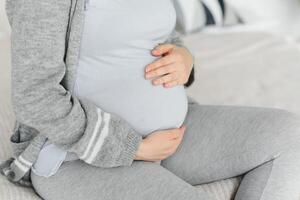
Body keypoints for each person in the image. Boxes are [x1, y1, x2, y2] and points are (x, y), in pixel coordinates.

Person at [1, 0, 300, 199]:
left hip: (171, 136)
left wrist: (183, 58)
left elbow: (154, 36)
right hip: (79, 157)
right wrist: (132, 148)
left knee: (289, 135)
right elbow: (35, 96)